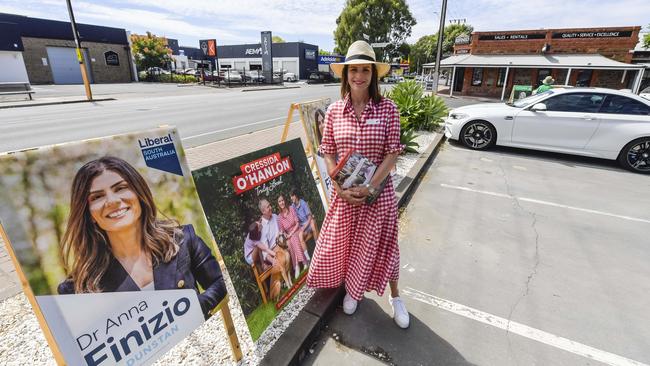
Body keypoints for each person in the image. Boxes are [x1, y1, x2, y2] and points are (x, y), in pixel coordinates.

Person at [306, 40, 409, 328]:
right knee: (350, 246)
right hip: (346, 195)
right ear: (346, 74)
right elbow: (327, 150)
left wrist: (371, 187)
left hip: (377, 196)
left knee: (385, 247)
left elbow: (392, 153)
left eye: (365, 70)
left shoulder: (388, 109)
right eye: (353, 70)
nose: (359, 76)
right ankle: (353, 292)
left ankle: (396, 296)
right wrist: (338, 187)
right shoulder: (336, 111)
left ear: (373, 74)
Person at [57, 156, 226, 319]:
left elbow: (220, 281)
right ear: (89, 213)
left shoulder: (182, 239)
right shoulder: (78, 289)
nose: (113, 201)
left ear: (139, 194)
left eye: (120, 188)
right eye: (97, 197)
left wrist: (198, 306)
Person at [277, 194, 308, 279]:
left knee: (293, 238)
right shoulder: (279, 217)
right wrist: (285, 234)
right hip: (289, 235)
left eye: (282, 200)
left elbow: (297, 222)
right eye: (279, 201)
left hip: (297, 229)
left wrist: (291, 233)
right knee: (289, 243)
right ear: (278, 204)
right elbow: (281, 230)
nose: (281, 202)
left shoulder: (291, 208)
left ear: (285, 201)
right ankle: (297, 265)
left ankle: (303, 263)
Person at [289, 189, 318, 259]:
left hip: (308, 222)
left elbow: (310, 217)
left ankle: (318, 246)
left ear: (296, 196)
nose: (291, 198)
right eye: (290, 196)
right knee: (300, 236)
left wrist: (304, 227)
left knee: (313, 225)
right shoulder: (292, 206)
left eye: (292, 196)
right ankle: (308, 258)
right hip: (302, 226)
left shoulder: (303, 203)